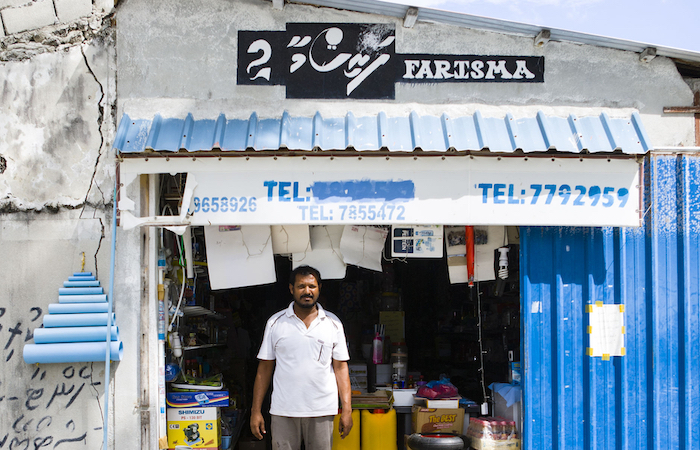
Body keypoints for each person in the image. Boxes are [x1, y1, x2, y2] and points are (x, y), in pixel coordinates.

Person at [250, 265, 353, 450]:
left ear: (319, 288)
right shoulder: (275, 323)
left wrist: (347, 410)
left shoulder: (333, 324)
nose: (307, 291)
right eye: (301, 286)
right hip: (284, 410)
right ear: (291, 289)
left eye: (312, 286)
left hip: (322, 410)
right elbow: (264, 369)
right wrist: (255, 411)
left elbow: (341, 368)